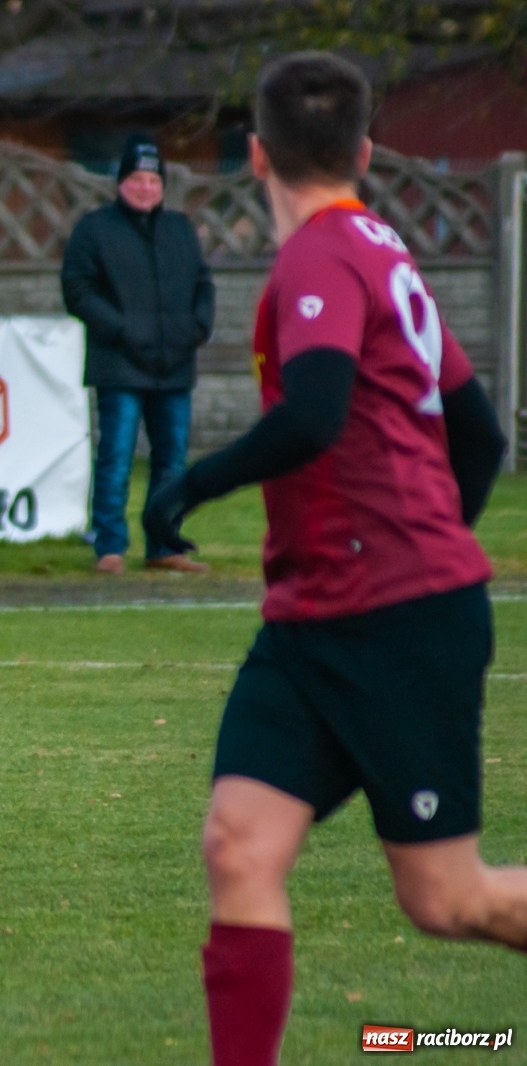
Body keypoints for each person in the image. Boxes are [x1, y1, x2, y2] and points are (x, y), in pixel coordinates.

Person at [141, 52, 523, 1066]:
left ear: (253, 153)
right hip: (312, 617)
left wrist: (191, 481)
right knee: (238, 845)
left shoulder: (319, 254)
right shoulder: (380, 249)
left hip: (396, 619)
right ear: (364, 151)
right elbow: (478, 438)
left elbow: (311, 414)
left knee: (448, 900)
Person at [61, 133, 215, 574]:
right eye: (137, 178)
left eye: (153, 179)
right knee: (117, 457)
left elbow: (204, 284)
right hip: (120, 364)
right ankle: (110, 546)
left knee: (172, 461)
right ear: (120, 182)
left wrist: (198, 327)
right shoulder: (94, 229)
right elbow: (77, 290)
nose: (146, 187)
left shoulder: (180, 229)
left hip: (175, 365)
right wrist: (121, 329)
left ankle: (163, 546)